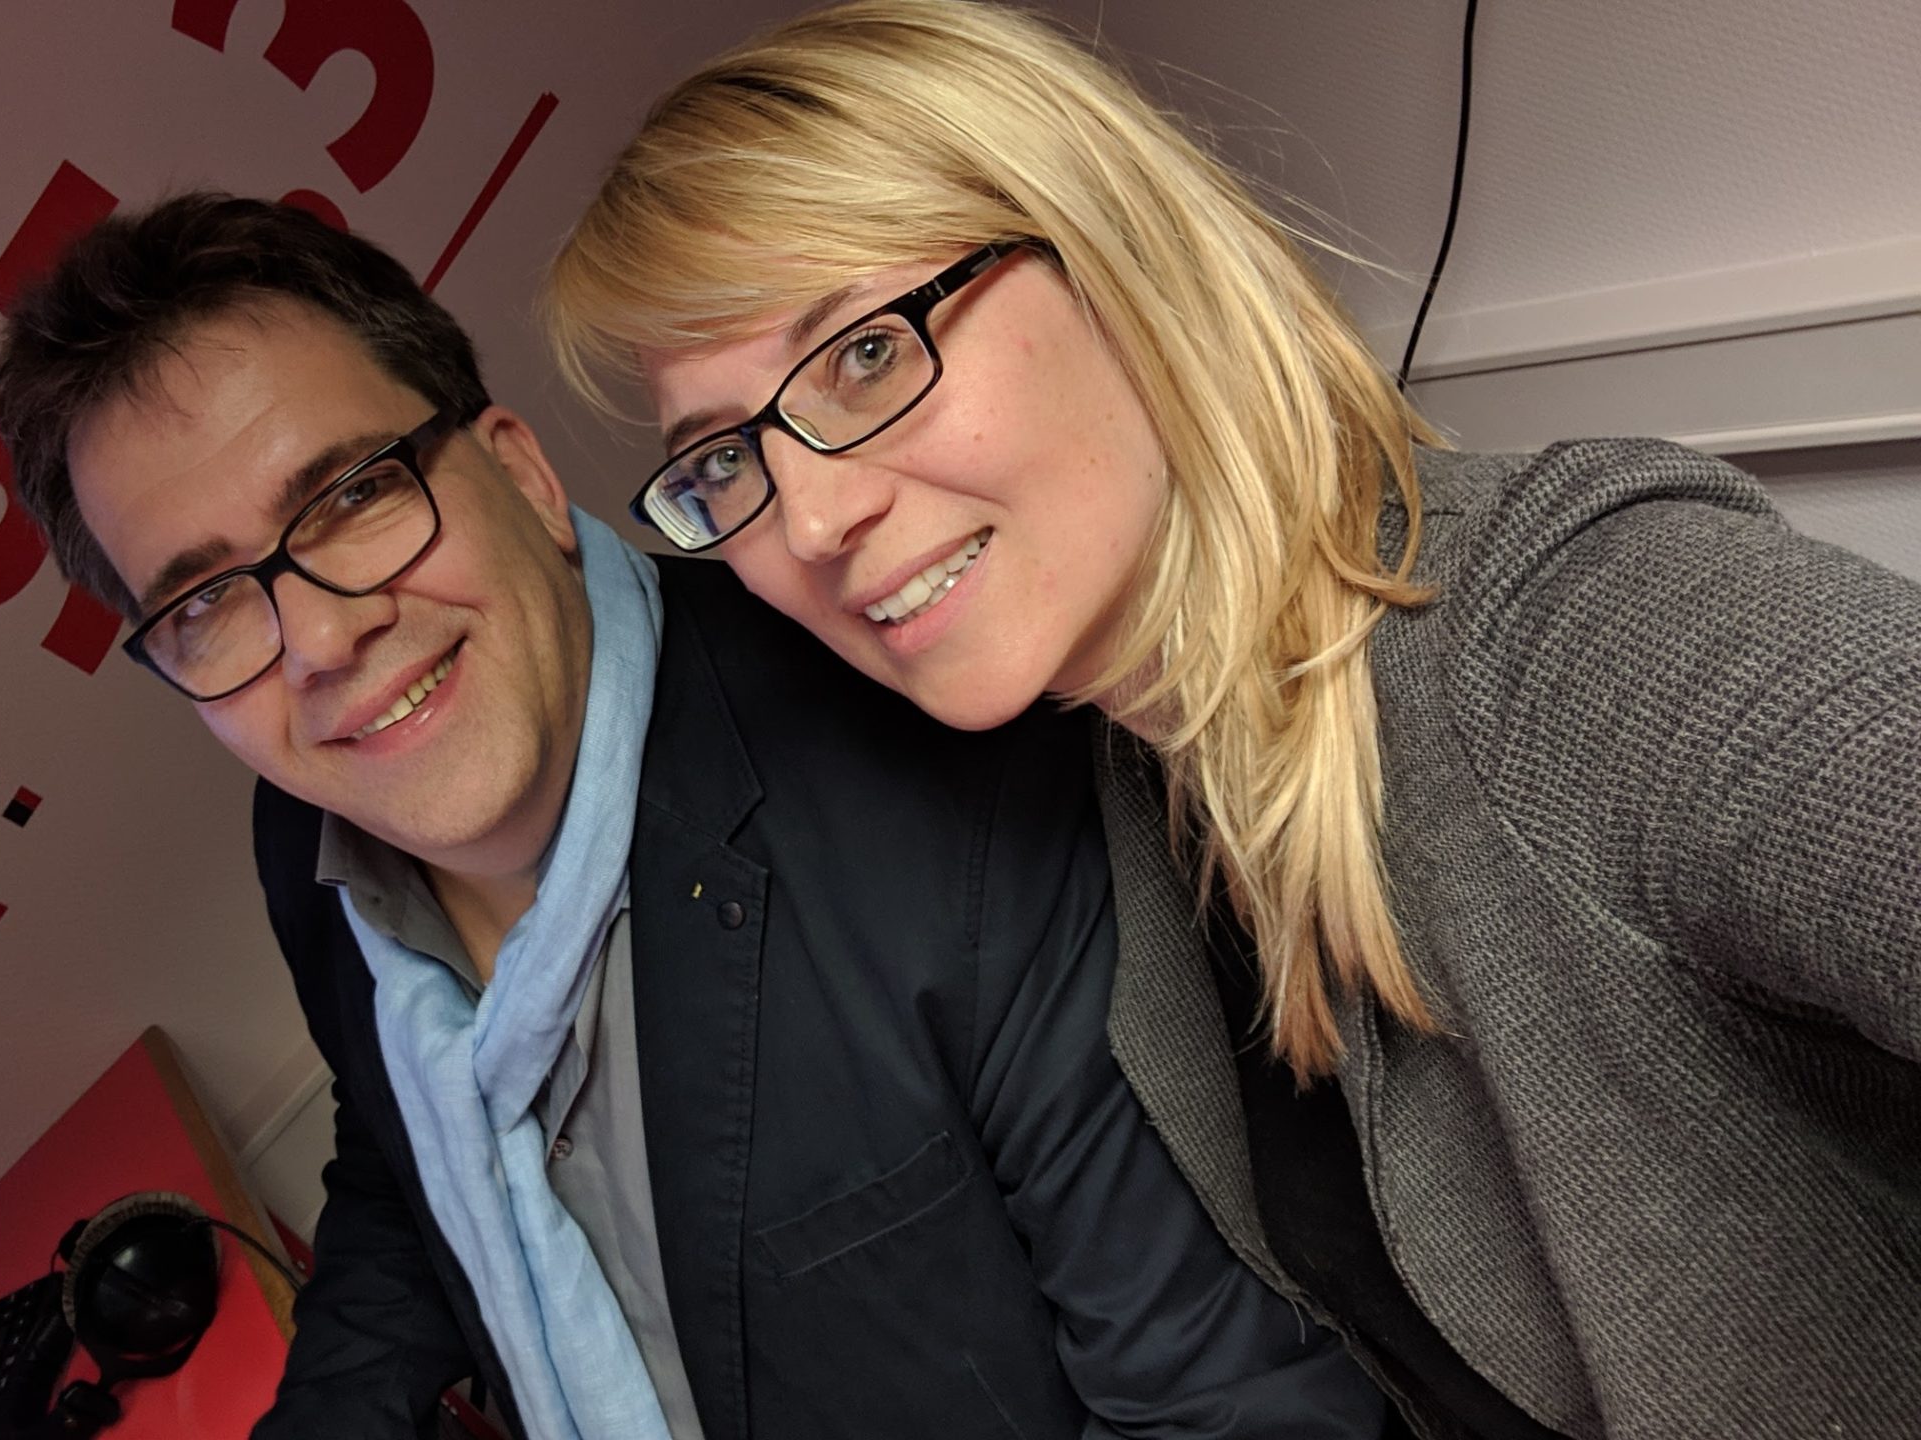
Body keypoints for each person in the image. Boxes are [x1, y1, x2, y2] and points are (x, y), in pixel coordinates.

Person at [541, 3, 1921, 1438]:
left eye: (866, 355)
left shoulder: (1573, 633)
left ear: (1108, 253)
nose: (813, 519)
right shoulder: (1138, 787)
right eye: (725, 461)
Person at [0, 192, 1389, 1440]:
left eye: (357, 495)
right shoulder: (307, 840)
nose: (320, 641)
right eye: (207, 602)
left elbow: (1245, 1409)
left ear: (522, 475)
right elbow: (402, 1156)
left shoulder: (953, 792)